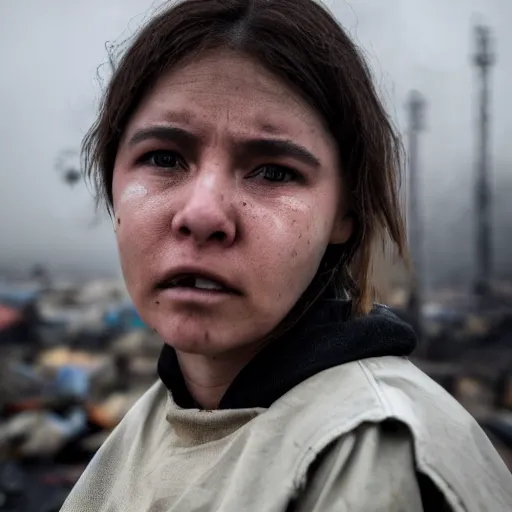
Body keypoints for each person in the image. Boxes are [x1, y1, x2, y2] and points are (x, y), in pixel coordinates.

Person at [61, 0, 512, 510]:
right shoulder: (160, 420)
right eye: (163, 158)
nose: (204, 214)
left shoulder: (378, 459)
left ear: (346, 212)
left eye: (274, 171)